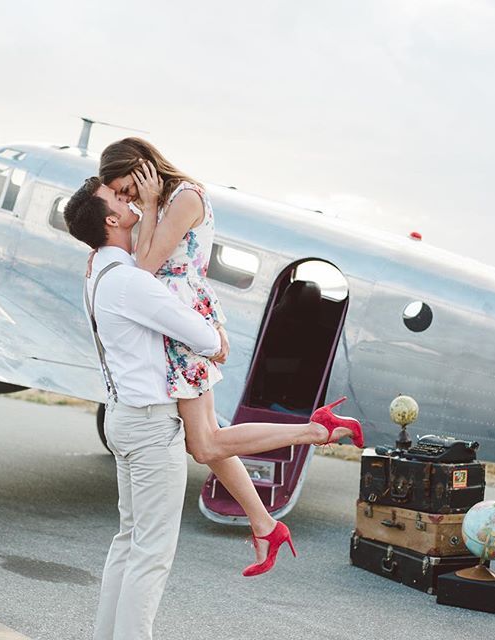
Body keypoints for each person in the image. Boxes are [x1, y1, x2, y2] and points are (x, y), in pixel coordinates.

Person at [98, 138, 363, 577]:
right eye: (121, 195)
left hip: (184, 324)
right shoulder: (159, 202)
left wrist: (144, 204)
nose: (126, 199)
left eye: (127, 187)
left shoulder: (185, 197)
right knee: (207, 439)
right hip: (171, 321)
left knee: (204, 443)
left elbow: (144, 266)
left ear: (143, 168)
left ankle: (316, 430)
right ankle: (265, 523)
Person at [63, 177, 225, 640]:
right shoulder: (132, 283)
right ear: (112, 220)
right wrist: (216, 337)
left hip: (122, 417)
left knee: (128, 541)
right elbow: (207, 338)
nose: (128, 198)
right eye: (118, 198)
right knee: (152, 553)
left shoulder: (98, 272)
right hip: (151, 425)